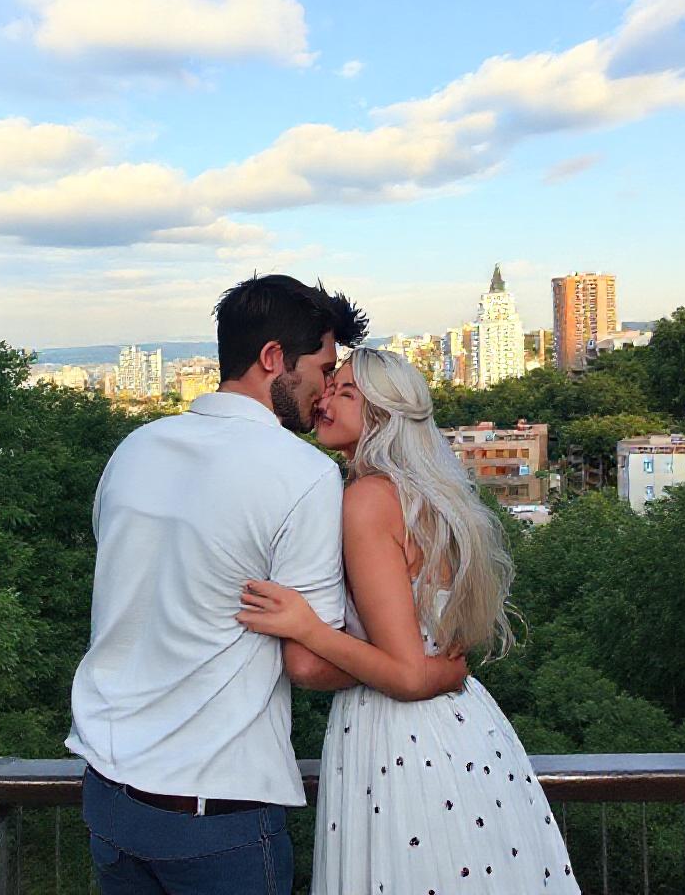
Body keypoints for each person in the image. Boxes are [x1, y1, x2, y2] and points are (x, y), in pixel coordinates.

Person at [66, 276, 466, 895]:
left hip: (108, 796)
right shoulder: (302, 474)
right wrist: (416, 665)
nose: (323, 392)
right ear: (274, 358)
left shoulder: (135, 449)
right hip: (213, 810)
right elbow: (306, 663)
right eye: (323, 370)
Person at [238, 348, 581, 893]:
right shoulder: (424, 498)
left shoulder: (368, 500)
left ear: (383, 415)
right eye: (331, 386)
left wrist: (307, 629)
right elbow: (434, 659)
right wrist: (445, 670)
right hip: (467, 736)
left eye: (346, 393)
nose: (324, 401)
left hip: (400, 744)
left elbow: (406, 673)